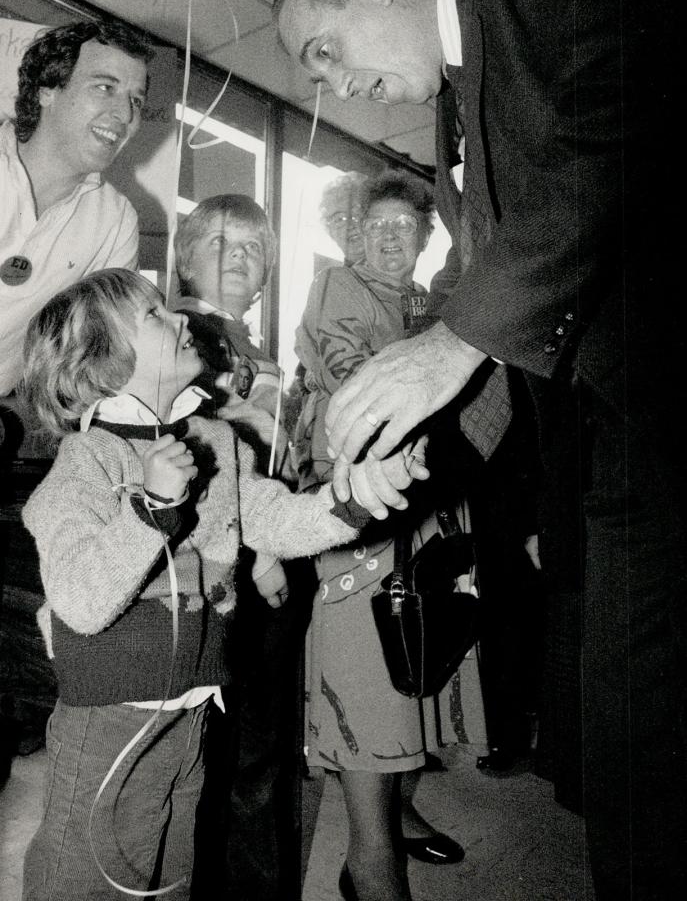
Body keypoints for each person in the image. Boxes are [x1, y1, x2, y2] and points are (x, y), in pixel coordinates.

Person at [274, 0, 687, 901]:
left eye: (324, 53)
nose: (334, 87)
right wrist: (399, 466)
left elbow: (625, 108)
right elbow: (498, 347)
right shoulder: (452, 119)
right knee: (623, 741)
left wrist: (454, 340)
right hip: (621, 435)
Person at [17, 267, 425, 901]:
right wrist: (149, 509)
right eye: (154, 316)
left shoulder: (212, 440)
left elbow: (278, 519)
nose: (180, 318)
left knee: (173, 868)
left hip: (194, 707)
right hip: (110, 719)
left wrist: (357, 496)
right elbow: (79, 600)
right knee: (85, 877)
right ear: (101, 363)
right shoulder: (87, 461)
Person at [295, 171, 483, 901]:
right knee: (370, 674)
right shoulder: (339, 288)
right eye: (380, 225)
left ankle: (399, 814)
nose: (393, 236)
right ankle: (369, 859)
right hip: (361, 501)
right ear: (353, 234)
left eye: (409, 227)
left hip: (426, 499)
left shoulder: (422, 304)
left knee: (421, 652)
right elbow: (360, 387)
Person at [174, 194, 307, 900]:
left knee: (254, 754)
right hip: (227, 572)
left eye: (252, 247)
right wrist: (262, 552)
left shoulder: (251, 347)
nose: (235, 257)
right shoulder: (182, 339)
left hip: (262, 564)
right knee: (231, 757)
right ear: (187, 257)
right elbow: (202, 464)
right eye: (218, 242)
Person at [0, 19, 153, 402]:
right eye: (105, 88)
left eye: (136, 100)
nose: (125, 114)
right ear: (47, 90)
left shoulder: (115, 222)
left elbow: (105, 351)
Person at [318, 170, 368, 265]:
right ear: (330, 231)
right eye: (339, 219)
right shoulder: (331, 279)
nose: (349, 226)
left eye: (356, 214)